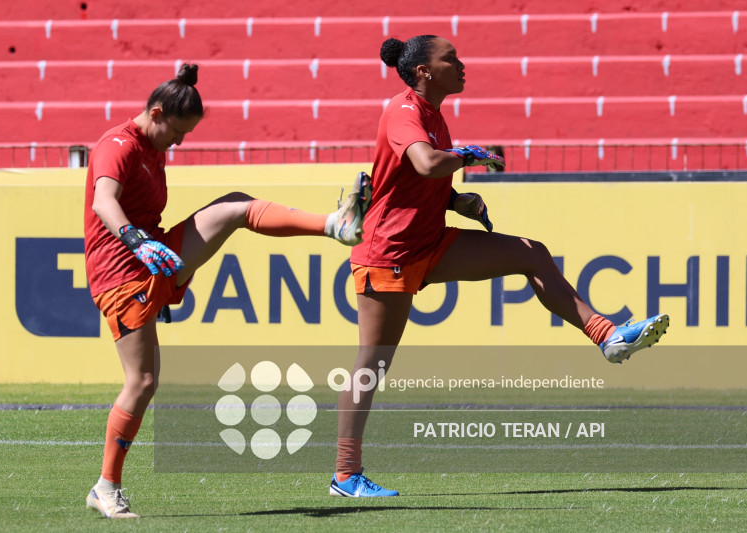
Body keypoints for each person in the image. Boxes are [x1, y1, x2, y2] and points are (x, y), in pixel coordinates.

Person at [329, 35, 670, 498]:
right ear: (425, 71)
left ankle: (608, 337)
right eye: (451, 59)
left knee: (530, 251)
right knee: (372, 364)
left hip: (429, 242)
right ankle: (345, 476)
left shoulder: (433, 115)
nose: (462, 64)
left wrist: (457, 201)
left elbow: (414, 182)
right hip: (389, 252)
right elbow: (427, 163)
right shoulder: (403, 110)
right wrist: (469, 155)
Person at [83, 63, 372, 518]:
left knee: (235, 204)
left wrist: (153, 251)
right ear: (156, 113)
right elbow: (104, 201)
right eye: (177, 132)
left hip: (154, 256)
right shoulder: (116, 146)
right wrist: (136, 241)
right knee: (141, 382)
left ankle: (336, 224)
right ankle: (105, 488)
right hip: (123, 272)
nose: (178, 142)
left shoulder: (152, 144)